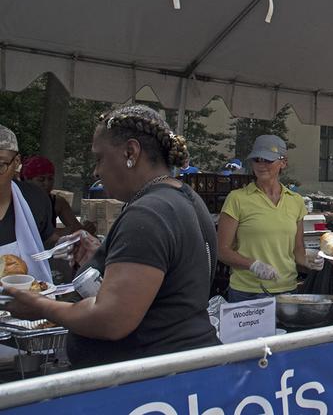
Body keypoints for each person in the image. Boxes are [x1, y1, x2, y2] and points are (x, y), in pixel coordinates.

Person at [6, 105, 220, 367]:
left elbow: (110, 320)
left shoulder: (148, 214)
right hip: (181, 368)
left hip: (147, 383)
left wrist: (40, 306)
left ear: (131, 152)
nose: (96, 172)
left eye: (100, 159)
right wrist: (100, 258)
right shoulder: (185, 198)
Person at [217, 135, 323, 303]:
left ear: (283, 162)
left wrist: (310, 260)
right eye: (257, 160)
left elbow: (297, 250)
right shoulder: (237, 199)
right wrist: (253, 265)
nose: (261, 165)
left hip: (287, 291)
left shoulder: (295, 201)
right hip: (247, 293)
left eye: (268, 160)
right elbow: (222, 250)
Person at [0, 125, 55, 281]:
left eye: (0, 165)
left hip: (27, 298)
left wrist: (68, 242)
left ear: (17, 162)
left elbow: (45, 240)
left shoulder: (35, 199)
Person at [21, 155, 96, 239]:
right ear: (27, 180)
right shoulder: (18, 202)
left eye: (50, 179)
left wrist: (87, 229)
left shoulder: (57, 202)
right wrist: (69, 231)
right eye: (41, 180)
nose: (47, 184)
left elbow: (77, 229)